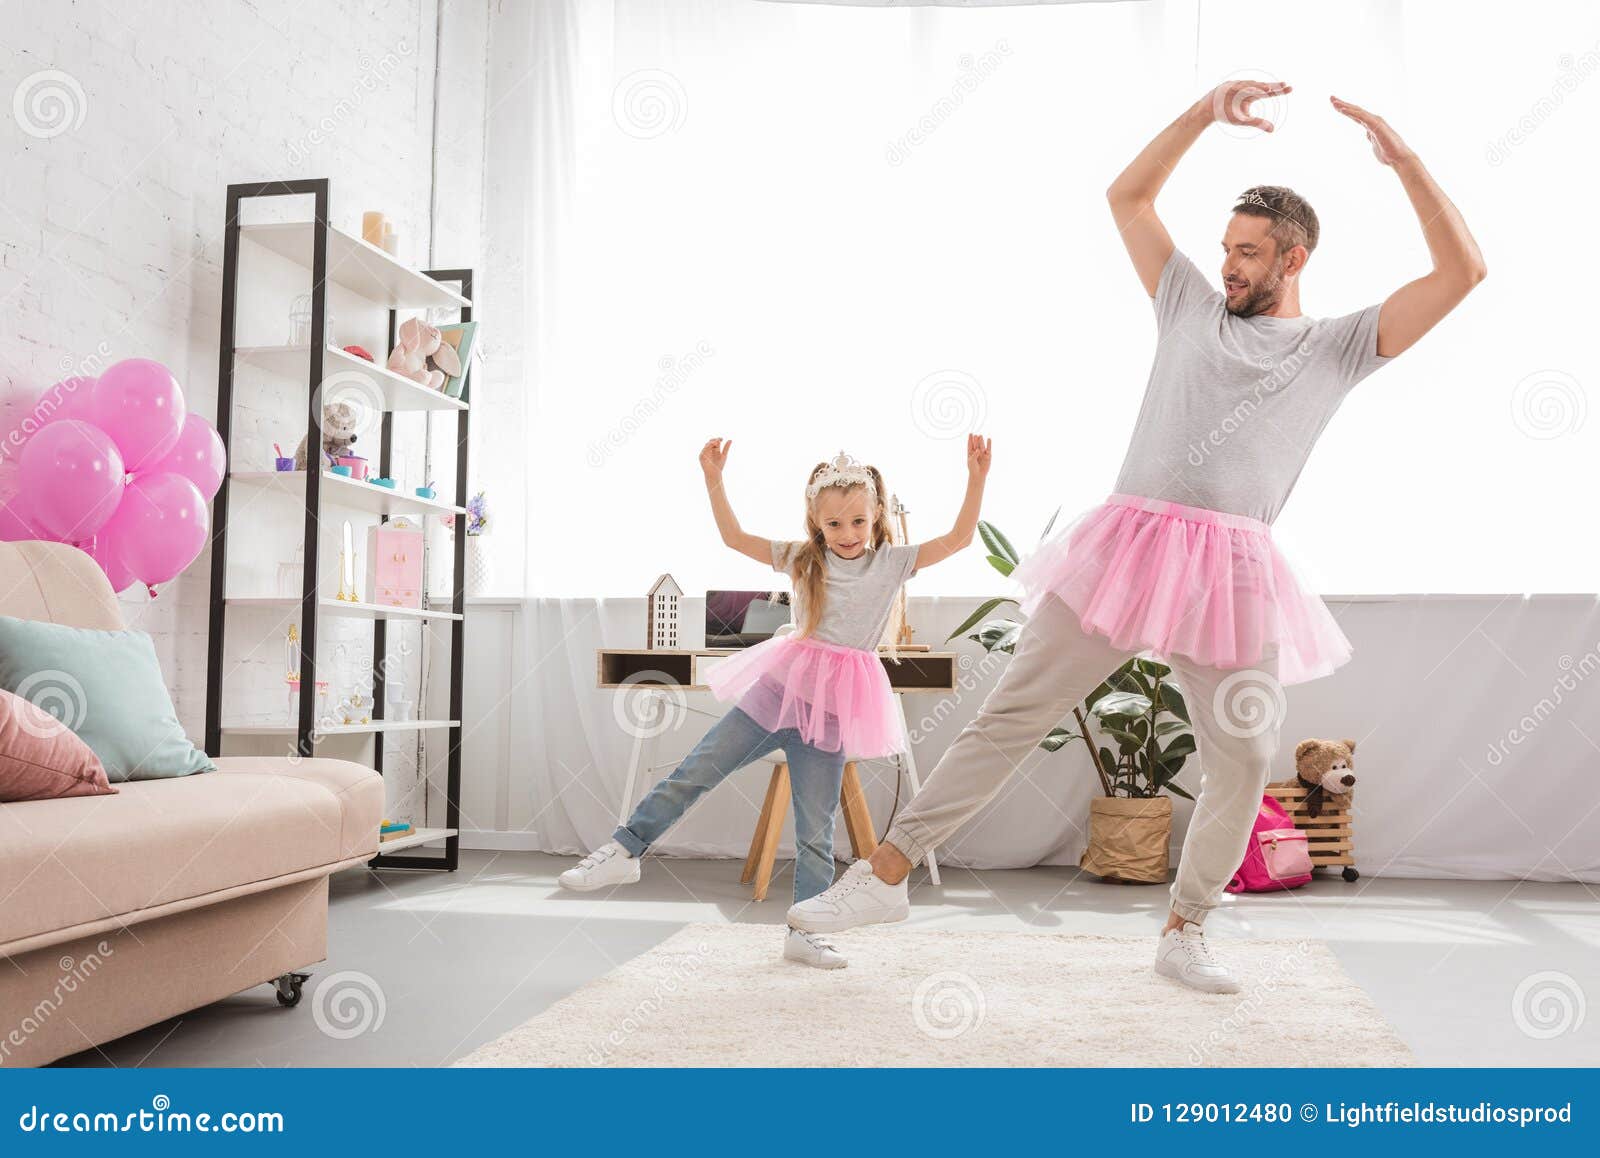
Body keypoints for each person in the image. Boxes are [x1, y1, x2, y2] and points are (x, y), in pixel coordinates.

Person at [789, 81, 1486, 993]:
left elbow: (1463, 273)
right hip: (1124, 549)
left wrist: (1408, 167)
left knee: (1241, 752)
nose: (1228, 264)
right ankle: (881, 878)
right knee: (1012, 714)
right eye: (1225, 247)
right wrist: (1202, 112)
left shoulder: (1339, 346)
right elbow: (1127, 197)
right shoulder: (1189, 305)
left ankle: (1187, 927)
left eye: (1247, 253)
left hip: (1233, 569)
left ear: (1294, 256)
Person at [561, 435, 993, 969]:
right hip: (779, 692)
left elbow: (958, 539)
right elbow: (735, 537)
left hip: (833, 709)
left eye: (858, 522)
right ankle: (626, 849)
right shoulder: (804, 558)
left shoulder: (893, 563)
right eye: (834, 524)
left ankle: (804, 930)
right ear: (817, 524)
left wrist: (975, 481)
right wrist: (715, 482)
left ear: (877, 514)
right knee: (696, 769)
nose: (848, 534)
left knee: (817, 826)